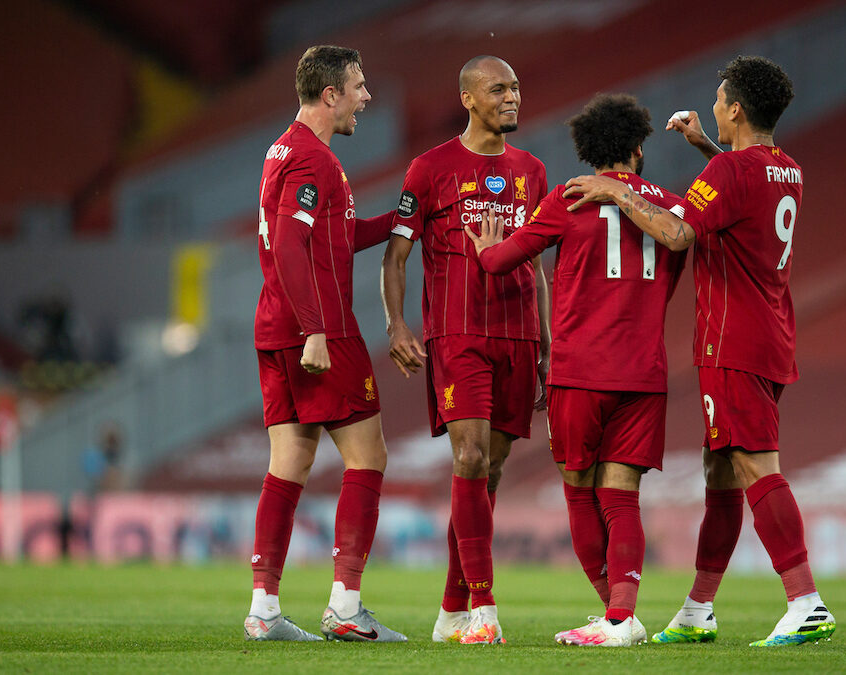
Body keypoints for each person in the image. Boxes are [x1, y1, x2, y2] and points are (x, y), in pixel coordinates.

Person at [563, 55, 837, 647]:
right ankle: (698, 608)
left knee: (755, 467)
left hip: (731, 339)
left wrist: (614, 187)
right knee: (722, 472)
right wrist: (705, 146)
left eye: (718, 99)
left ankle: (805, 599)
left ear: (735, 108)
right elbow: (738, 191)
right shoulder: (784, 168)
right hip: (771, 333)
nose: (712, 104)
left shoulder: (735, 172)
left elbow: (679, 231)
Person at [466, 94, 687, 647]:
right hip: (643, 372)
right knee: (621, 496)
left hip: (578, 371)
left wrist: (483, 247)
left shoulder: (567, 199)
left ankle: (614, 616)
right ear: (638, 149)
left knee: (578, 492)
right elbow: (685, 241)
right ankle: (620, 616)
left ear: (589, 152)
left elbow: (498, 264)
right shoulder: (672, 208)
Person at [381, 55, 550, 645]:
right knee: (471, 460)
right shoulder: (429, 169)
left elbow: (538, 264)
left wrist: (548, 350)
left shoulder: (532, 171)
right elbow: (396, 255)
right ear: (469, 99)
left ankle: (452, 607)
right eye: (499, 89)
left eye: (516, 88)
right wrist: (397, 324)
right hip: (457, 337)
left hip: (519, 335)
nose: (512, 98)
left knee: (491, 473)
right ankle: (483, 608)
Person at [245, 45, 407, 643]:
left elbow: (329, 240)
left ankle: (264, 609)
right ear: (330, 94)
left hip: (274, 327)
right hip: (320, 330)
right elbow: (290, 246)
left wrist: (401, 219)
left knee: (288, 463)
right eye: (359, 87)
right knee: (369, 458)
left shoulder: (283, 148)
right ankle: (345, 605)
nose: (366, 97)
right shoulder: (312, 160)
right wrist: (315, 327)